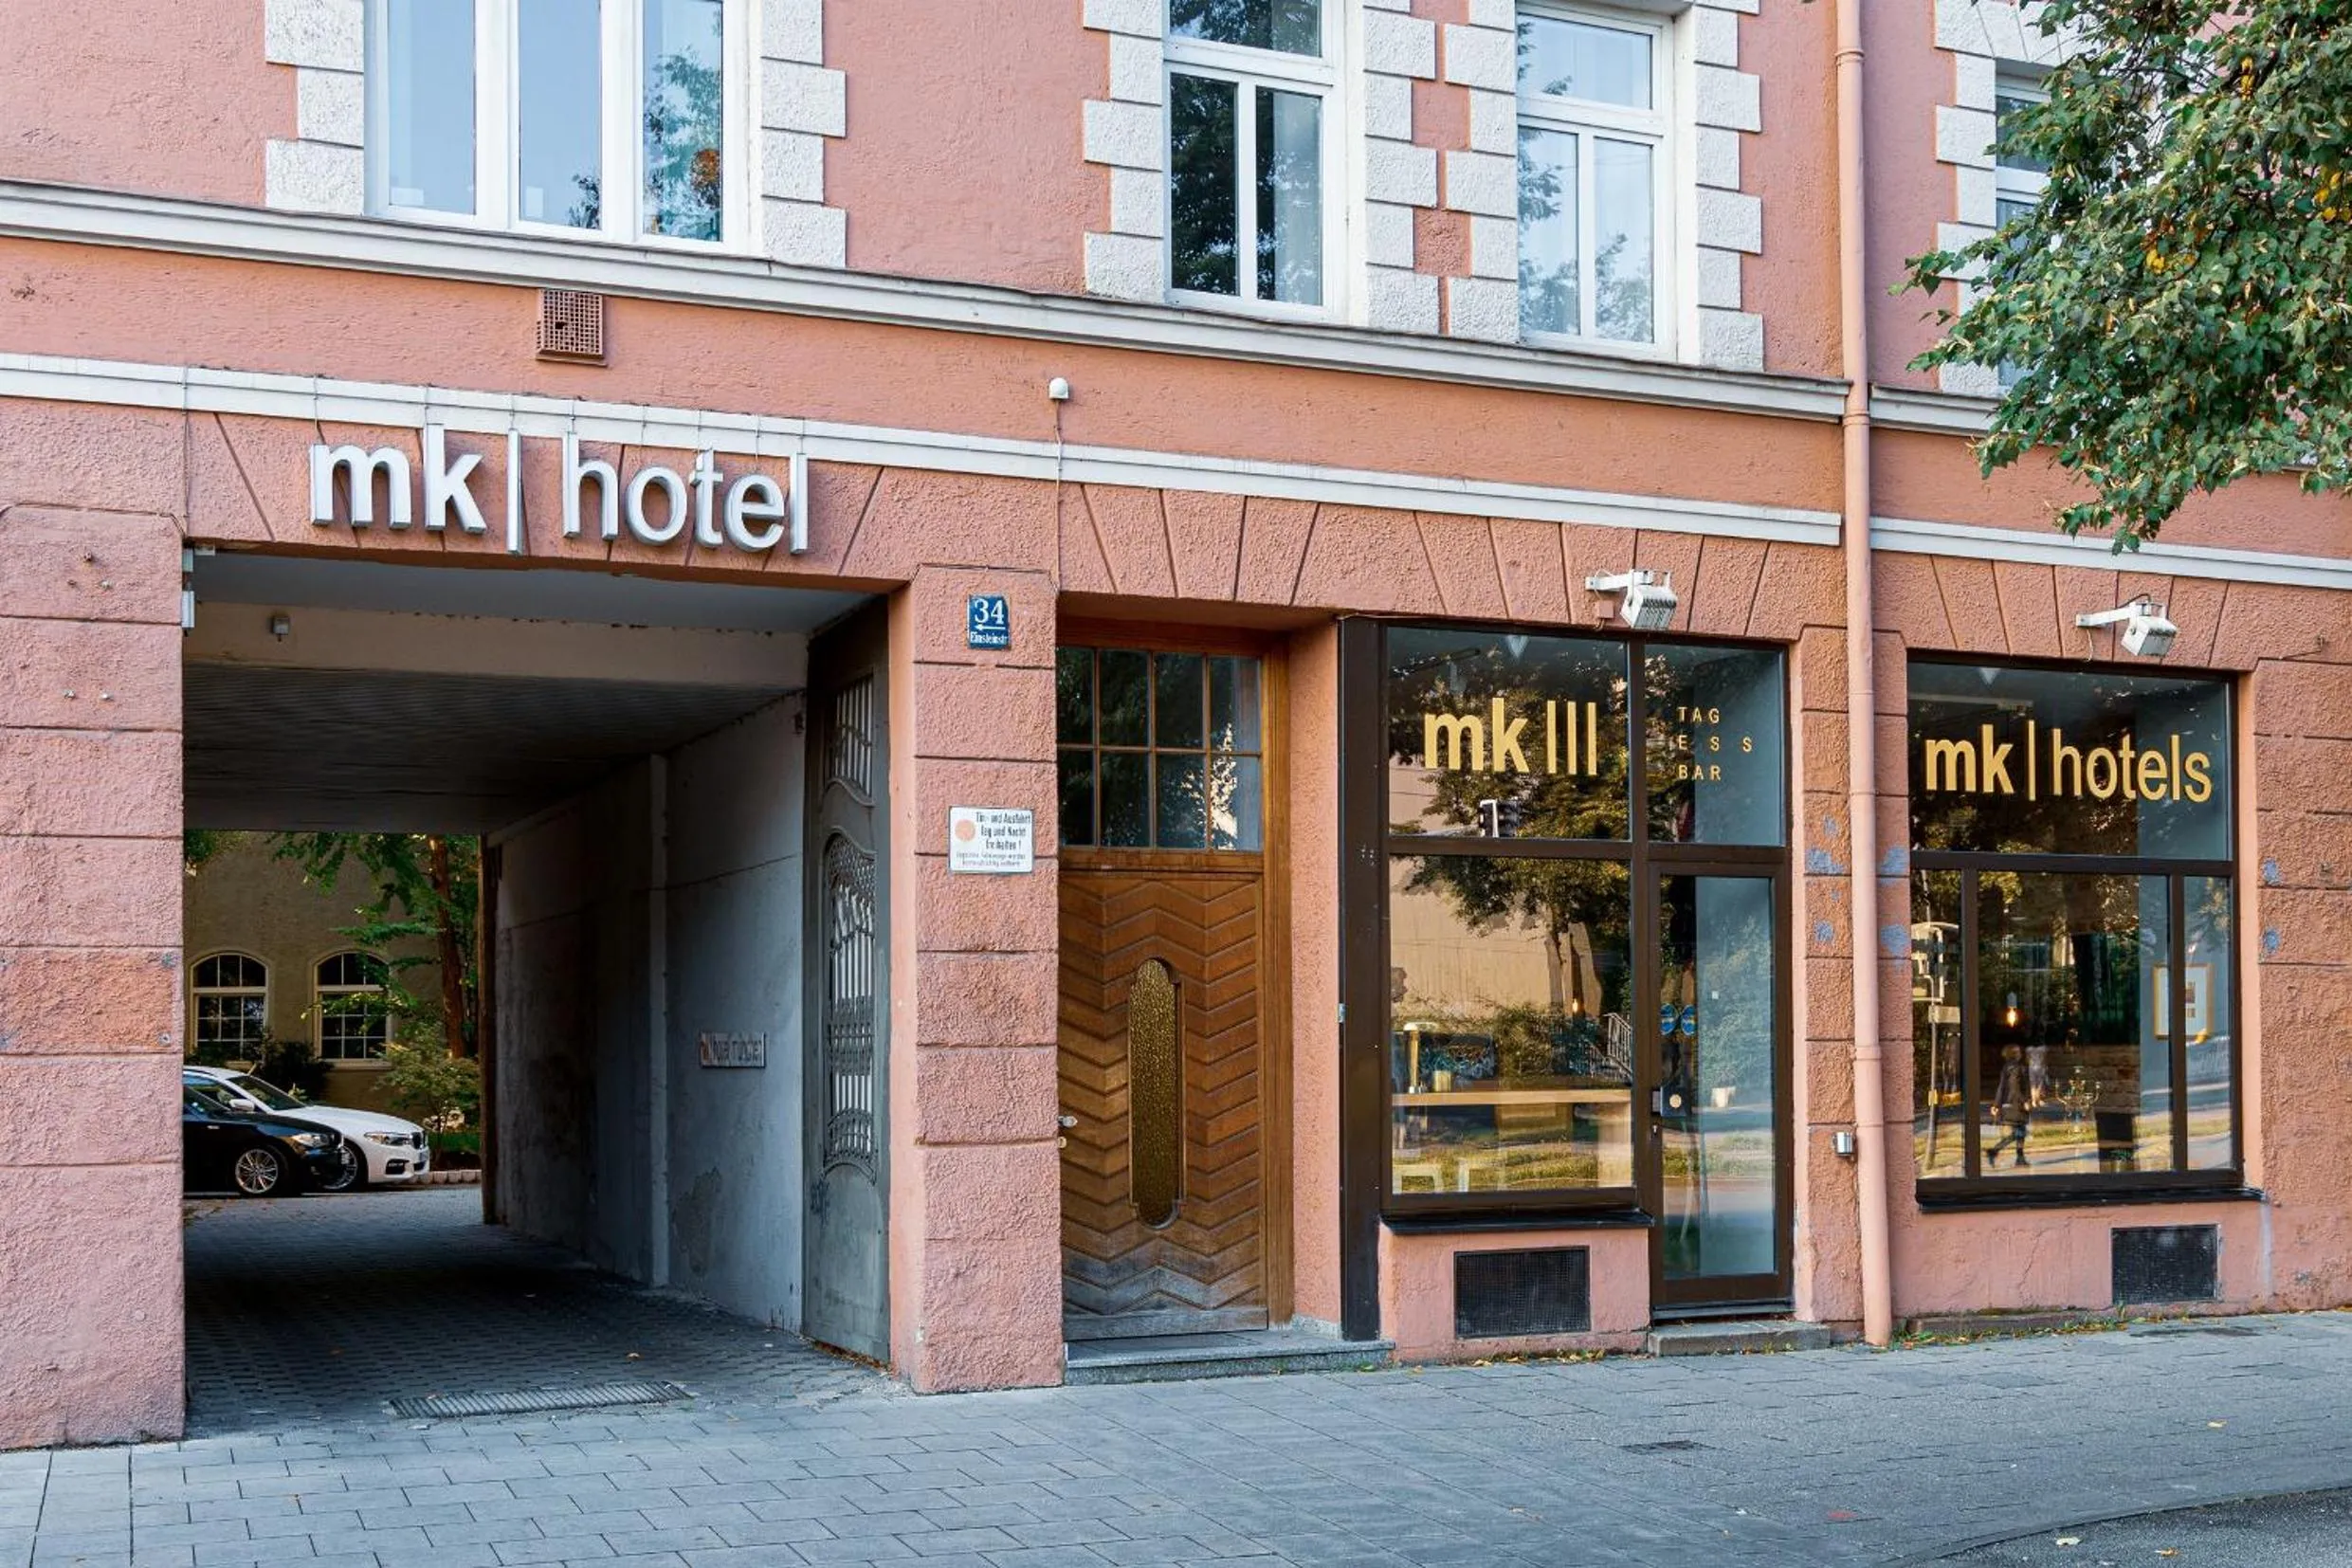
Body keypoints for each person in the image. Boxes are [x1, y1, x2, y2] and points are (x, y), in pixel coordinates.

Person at [1987, 1045, 2031, 1167]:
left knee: (2020, 1132)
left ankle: (2019, 1158)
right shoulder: (2017, 1068)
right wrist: (2025, 1101)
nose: (2020, 1053)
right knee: (2020, 1132)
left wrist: (1996, 1104)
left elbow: (2001, 1087)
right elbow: (2015, 1088)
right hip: (2016, 1105)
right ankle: (1995, 1151)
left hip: (2009, 1104)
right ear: (2014, 1054)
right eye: (2018, 1051)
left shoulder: (2006, 1067)